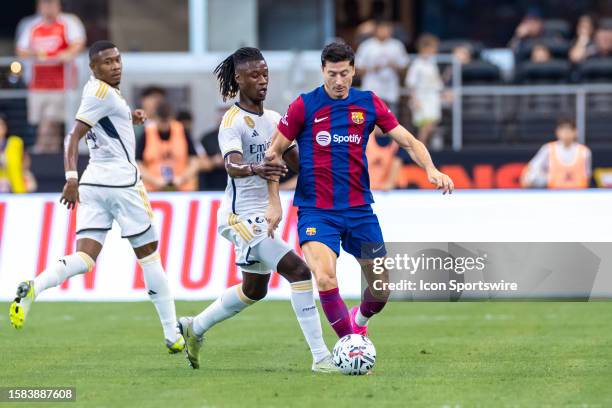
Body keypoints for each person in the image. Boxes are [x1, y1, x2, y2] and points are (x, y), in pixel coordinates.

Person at [265, 42, 453, 340]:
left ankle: (359, 319)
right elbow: (272, 154)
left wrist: (431, 169)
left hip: (359, 211)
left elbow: (407, 140)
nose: (338, 81)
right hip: (316, 211)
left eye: (344, 74)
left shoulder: (368, 103)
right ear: (323, 72)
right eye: (332, 74)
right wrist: (274, 202)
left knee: (380, 291)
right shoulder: (304, 105)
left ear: (354, 71)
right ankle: (349, 344)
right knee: (325, 278)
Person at [9, 41, 186, 355]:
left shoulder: (101, 91)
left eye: (117, 60)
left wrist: (129, 116)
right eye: (107, 62)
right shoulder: (100, 93)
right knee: (149, 258)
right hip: (121, 183)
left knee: (85, 259)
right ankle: (172, 333)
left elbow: (102, 121)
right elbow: (73, 136)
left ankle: (34, 286)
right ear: (94, 68)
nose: (115, 66)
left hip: (95, 184)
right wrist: (69, 179)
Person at [177, 47, 338, 373]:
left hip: (262, 217)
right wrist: (256, 169)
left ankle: (195, 327)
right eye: (254, 75)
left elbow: (298, 164)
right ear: (239, 79)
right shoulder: (231, 122)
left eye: (264, 74)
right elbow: (232, 165)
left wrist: (327, 173)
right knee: (298, 271)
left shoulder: (275, 119)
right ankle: (321, 358)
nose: (262, 80)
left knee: (254, 290)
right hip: (238, 216)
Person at [16, 0, 86, 153]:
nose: (49, 7)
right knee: (44, 121)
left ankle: (41, 149)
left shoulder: (68, 23)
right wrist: (39, 56)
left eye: (52, 4)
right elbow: (21, 50)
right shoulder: (32, 26)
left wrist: (66, 54)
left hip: (61, 84)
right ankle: (50, 151)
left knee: (51, 121)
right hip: (38, 84)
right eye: (45, 4)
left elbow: (78, 43)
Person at [136, 102, 200, 192]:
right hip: (152, 190)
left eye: (167, 121)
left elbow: (195, 161)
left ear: (172, 118)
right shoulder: (147, 134)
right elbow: (138, 164)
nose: (164, 126)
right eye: (161, 121)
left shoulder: (182, 132)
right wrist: (154, 181)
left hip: (183, 189)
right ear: (155, 118)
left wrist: (182, 178)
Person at [355, 21, 409, 115]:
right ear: (377, 30)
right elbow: (358, 68)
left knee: (391, 121)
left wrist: (394, 66)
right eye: (382, 29)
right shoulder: (366, 46)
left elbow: (404, 68)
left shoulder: (397, 45)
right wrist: (372, 68)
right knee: (371, 120)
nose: (385, 32)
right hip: (372, 88)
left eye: (387, 29)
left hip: (391, 90)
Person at [521, 118, 591, 189]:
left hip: (579, 194)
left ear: (575, 132)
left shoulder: (584, 152)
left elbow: (587, 176)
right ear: (557, 132)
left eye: (569, 130)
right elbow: (532, 169)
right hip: (555, 194)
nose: (566, 133)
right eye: (563, 129)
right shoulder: (548, 149)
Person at [406, 34, 443, 146]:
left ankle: (425, 150)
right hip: (422, 99)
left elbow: (437, 83)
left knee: (431, 126)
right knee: (425, 127)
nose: (435, 50)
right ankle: (420, 152)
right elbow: (410, 83)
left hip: (433, 99)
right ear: (425, 48)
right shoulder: (417, 64)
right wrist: (414, 99)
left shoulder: (432, 63)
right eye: (433, 48)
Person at [0, 114, 37, 193]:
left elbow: (25, 159)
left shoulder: (15, 142)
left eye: (1, 124)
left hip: (17, 188)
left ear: (6, 126)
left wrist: (25, 173)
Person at [198, 104, 230, 191]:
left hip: (233, 184)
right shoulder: (206, 138)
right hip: (211, 185)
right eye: (221, 112)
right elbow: (200, 163)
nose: (223, 116)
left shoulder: (241, 137)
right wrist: (213, 162)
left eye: (227, 112)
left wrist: (227, 161)